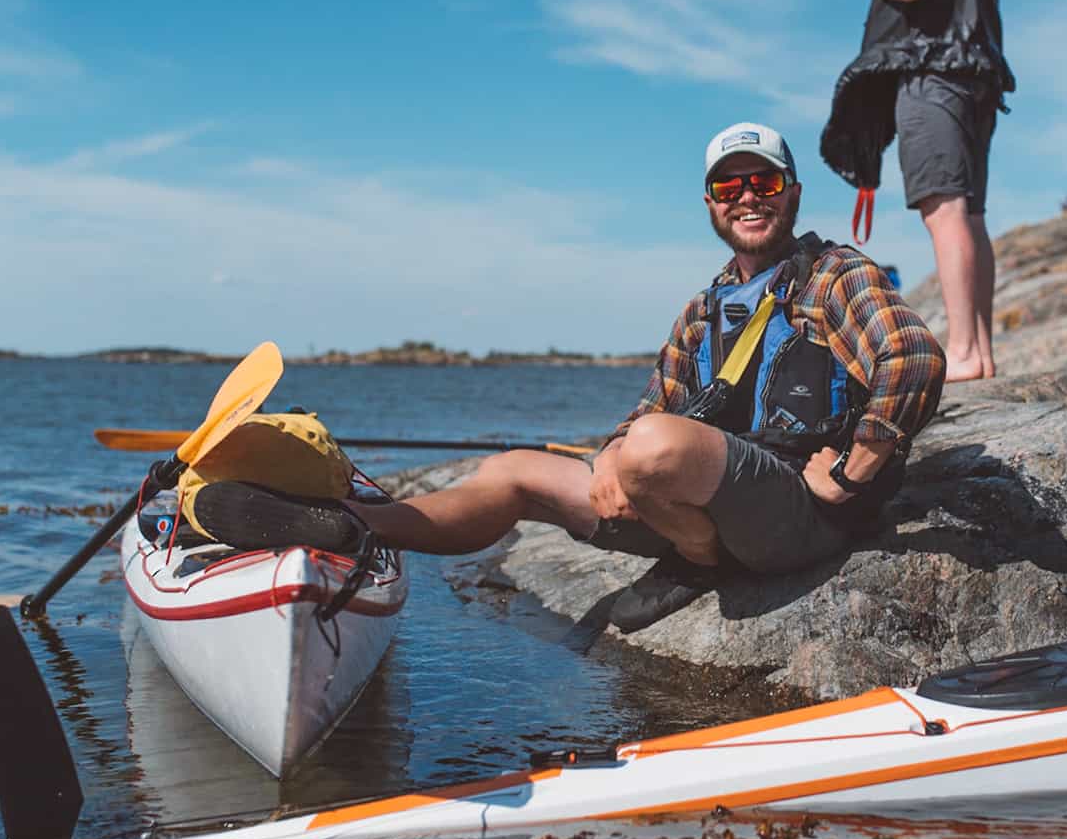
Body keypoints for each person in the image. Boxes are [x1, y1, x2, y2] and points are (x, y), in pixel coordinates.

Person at [197, 122, 946, 633]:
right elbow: (645, 413)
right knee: (518, 471)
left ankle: (696, 561)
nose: (747, 195)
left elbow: (913, 357)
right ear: (711, 205)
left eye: (763, 181)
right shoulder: (705, 308)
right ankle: (351, 528)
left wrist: (853, 471)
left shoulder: (832, 278)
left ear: (790, 192)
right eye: (728, 187)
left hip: (799, 512)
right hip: (704, 499)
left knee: (652, 450)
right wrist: (615, 461)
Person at [824, 0, 1014, 382]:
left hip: (933, 69)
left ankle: (959, 353)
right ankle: (979, 352)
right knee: (971, 212)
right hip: (979, 66)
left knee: (943, 208)